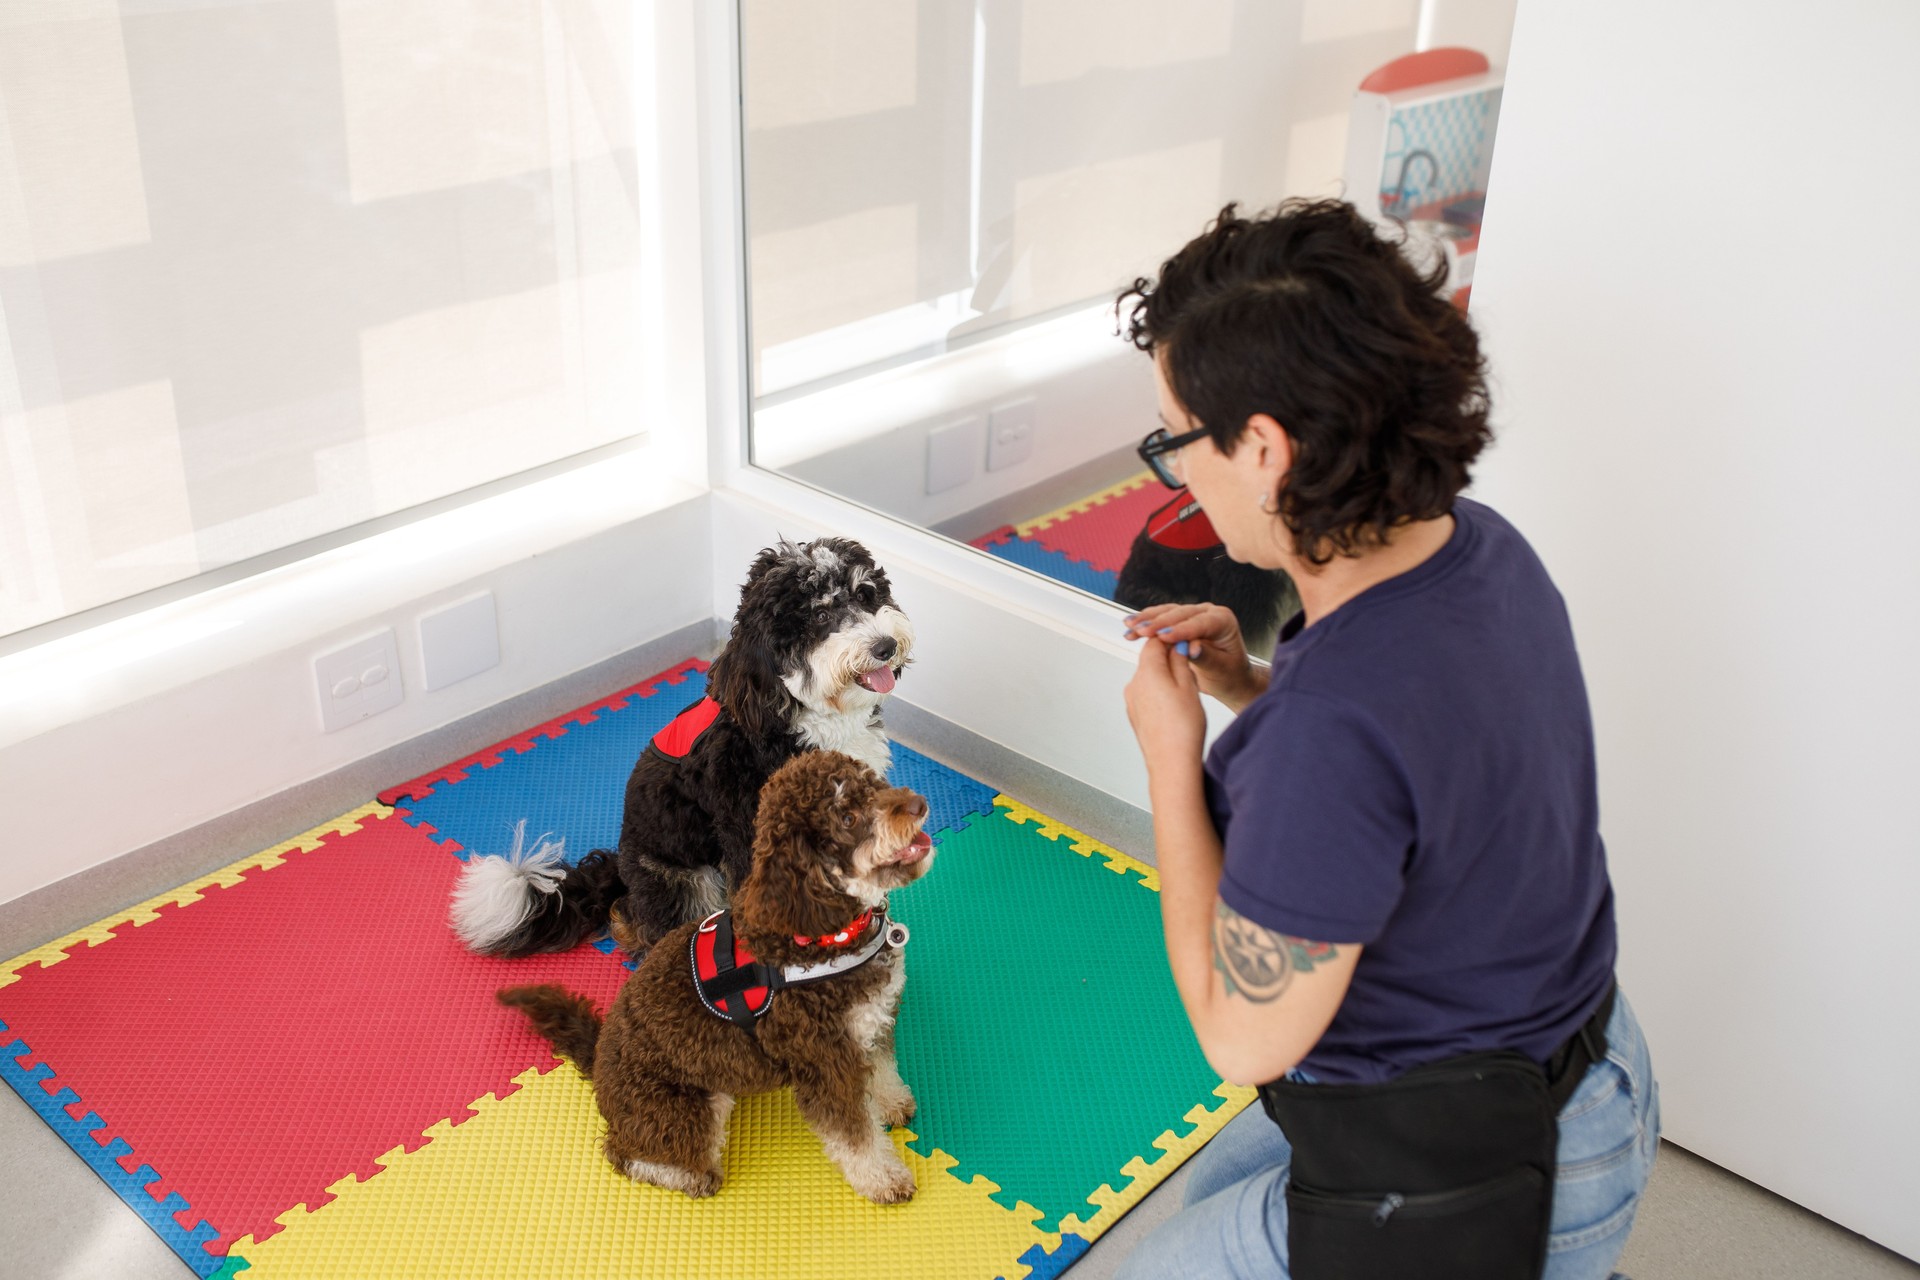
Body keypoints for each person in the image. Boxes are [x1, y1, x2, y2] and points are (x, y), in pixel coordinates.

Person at [1112, 200, 1659, 1280]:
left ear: (1263, 447)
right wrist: (1244, 684)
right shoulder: (1477, 548)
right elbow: (1414, 777)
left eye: (1175, 439)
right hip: (1586, 1068)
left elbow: (1239, 1036)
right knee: (1206, 1195)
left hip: (1481, 1163)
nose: (1170, 473)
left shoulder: (1331, 728)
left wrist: (1169, 756)